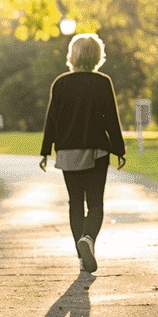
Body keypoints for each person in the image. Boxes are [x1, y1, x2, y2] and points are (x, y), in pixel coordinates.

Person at [39, 33, 126, 273]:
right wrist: (119, 149)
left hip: (68, 152)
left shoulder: (60, 83)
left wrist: (45, 151)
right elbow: (111, 118)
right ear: (97, 56)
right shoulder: (102, 82)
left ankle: (81, 256)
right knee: (95, 203)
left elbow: (52, 121)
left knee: (75, 203)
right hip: (97, 150)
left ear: (72, 55)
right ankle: (88, 239)